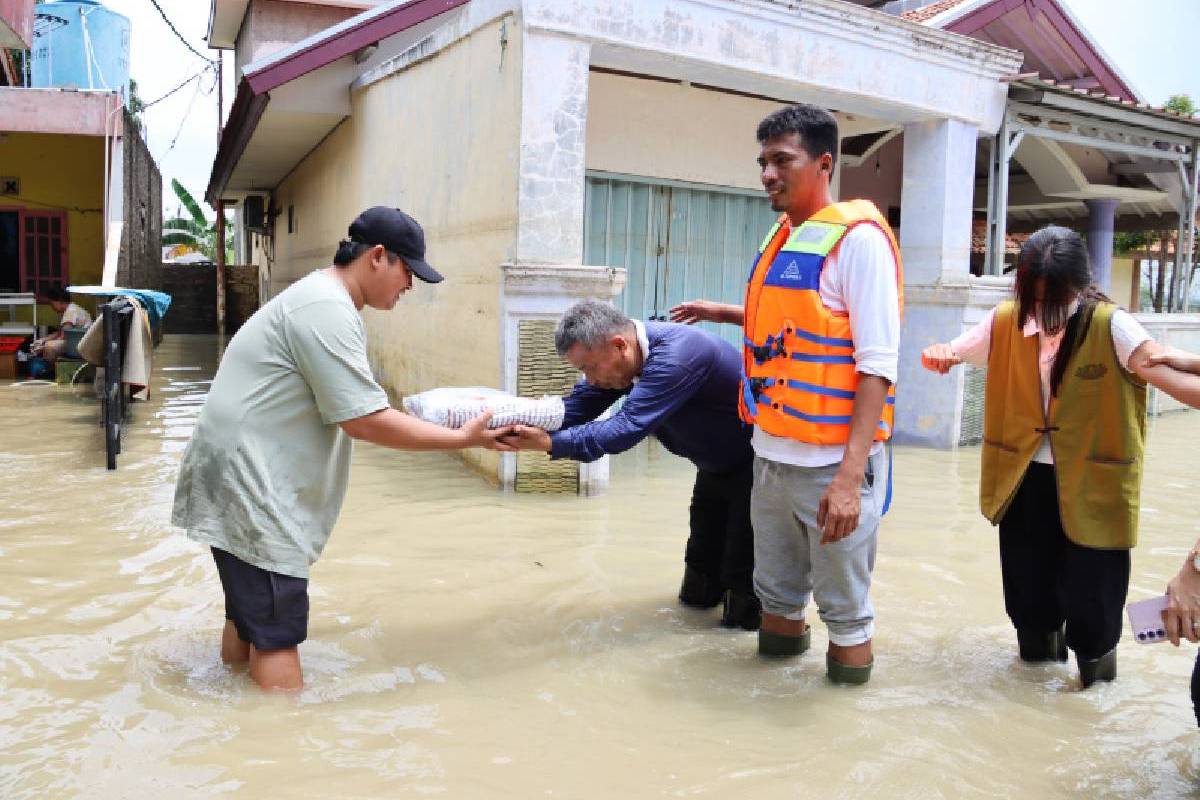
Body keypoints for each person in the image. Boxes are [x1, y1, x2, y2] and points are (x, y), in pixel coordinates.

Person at [172, 206, 515, 691]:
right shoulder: (327, 310)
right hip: (252, 488)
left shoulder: (319, 298)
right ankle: (280, 748)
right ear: (379, 257)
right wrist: (463, 438)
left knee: (249, 621)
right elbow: (366, 422)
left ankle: (237, 723)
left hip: (229, 476)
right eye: (409, 272)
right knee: (276, 636)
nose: (410, 286)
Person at [670, 104, 902, 684]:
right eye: (763, 162)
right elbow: (788, 332)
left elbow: (877, 367)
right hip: (769, 459)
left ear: (823, 163)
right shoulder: (784, 235)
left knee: (845, 618)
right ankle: (770, 726)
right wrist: (721, 311)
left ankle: (841, 734)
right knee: (775, 602)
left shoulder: (859, 242)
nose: (768, 174)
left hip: (831, 469)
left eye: (782, 160)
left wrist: (849, 481)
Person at [921, 225, 1200, 688]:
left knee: (1093, 608)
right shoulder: (1006, 320)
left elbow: (1166, 372)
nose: (1045, 315)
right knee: (1029, 602)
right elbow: (957, 349)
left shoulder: (1113, 325)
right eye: (1035, 301)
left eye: (1056, 302)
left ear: (1080, 287)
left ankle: (1093, 694)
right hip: (1023, 480)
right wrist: (942, 354)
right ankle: (1033, 695)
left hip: (1097, 486)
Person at [500, 300, 760, 630]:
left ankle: (749, 661)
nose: (589, 379)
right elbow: (576, 409)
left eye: (590, 368)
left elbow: (624, 430)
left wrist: (549, 444)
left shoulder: (680, 355)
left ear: (619, 345)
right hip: (714, 466)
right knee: (699, 574)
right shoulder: (623, 364)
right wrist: (507, 418)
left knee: (742, 579)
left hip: (757, 469)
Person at [32, 286, 92, 364]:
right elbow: (61, 332)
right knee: (46, 343)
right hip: (78, 341)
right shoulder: (71, 308)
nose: (51, 306)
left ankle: (51, 370)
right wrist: (42, 340)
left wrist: (42, 347)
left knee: (49, 347)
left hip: (81, 344)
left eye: (51, 303)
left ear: (59, 301)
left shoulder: (70, 312)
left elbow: (62, 337)